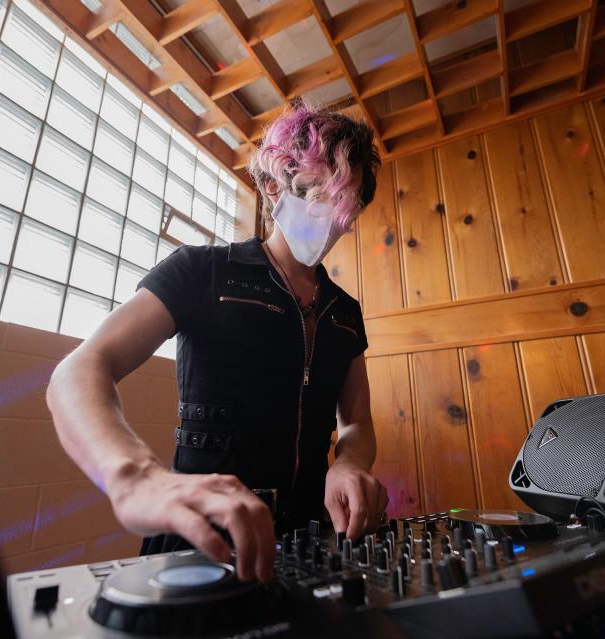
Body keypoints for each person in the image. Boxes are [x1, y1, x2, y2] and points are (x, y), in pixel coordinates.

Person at [46, 101, 388, 585]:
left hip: (312, 539)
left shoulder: (346, 313)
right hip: (200, 542)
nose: (331, 220)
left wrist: (350, 463)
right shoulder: (202, 272)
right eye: (317, 195)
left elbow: (356, 422)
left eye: (344, 206)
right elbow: (80, 369)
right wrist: (134, 476)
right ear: (274, 187)